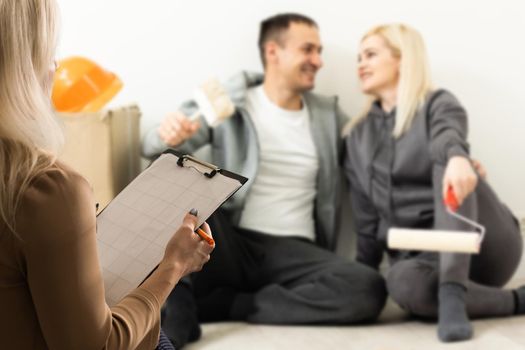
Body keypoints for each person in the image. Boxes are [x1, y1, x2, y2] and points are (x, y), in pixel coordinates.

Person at [143, 13, 387, 348]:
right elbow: (154, 149)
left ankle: (226, 304)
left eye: (319, 51)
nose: (318, 61)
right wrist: (166, 132)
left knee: (368, 288)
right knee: (182, 185)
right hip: (229, 242)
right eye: (308, 50)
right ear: (273, 51)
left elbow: (377, 160)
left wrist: (449, 157)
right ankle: (179, 313)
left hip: (294, 251)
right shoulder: (231, 102)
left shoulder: (329, 117)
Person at [0, 1, 214, 349]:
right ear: (25, 64)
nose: (55, 67)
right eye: (48, 51)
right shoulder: (46, 189)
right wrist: (173, 267)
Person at [343, 23, 525, 343]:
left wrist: (457, 157)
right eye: (358, 57)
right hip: (426, 259)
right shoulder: (356, 138)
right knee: (402, 283)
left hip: (486, 245)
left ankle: (453, 291)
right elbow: (367, 222)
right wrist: (361, 279)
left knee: (449, 161)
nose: (361, 64)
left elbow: (448, 136)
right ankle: (516, 300)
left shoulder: (437, 103)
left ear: (402, 59)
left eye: (370, 54)